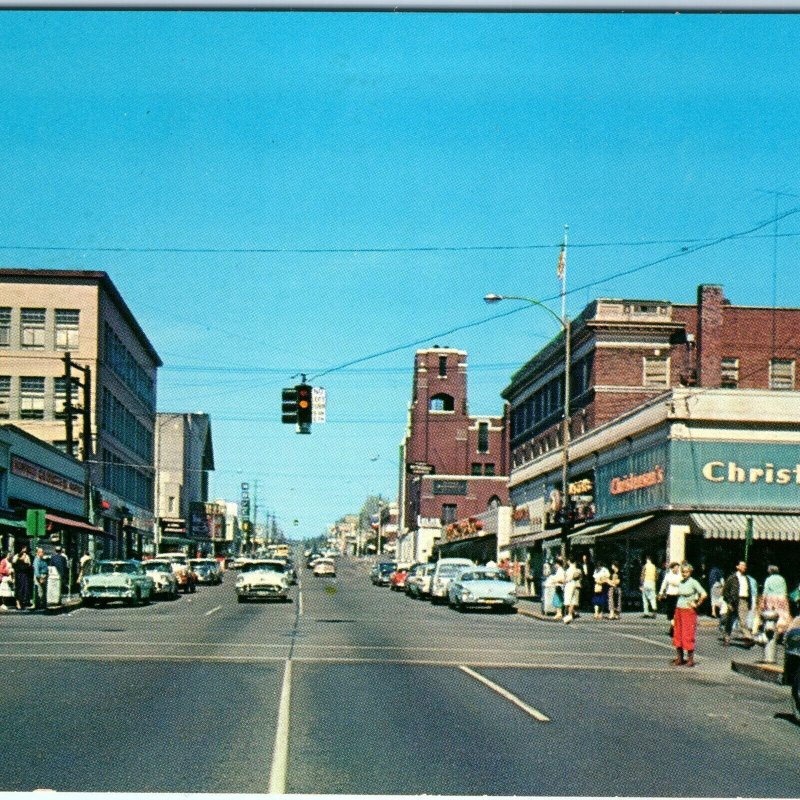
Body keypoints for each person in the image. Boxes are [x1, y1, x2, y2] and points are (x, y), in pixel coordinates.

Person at [672, 562, 708, 667]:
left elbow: (704, 594)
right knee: (678, 634)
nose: (684, 574)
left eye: (686, 572)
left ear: (690, 572)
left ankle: (690, 659)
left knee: (688, 634)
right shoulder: (681, 582)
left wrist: (696, 604)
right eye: (683, 572)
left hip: (688, 611)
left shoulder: (693, 582)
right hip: (679, 610)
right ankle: (680, 658)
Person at [721, 561, 758, 645]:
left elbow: (749, 591)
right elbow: (725, 591)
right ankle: (726, 637)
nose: (744, 567)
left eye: (745, 565)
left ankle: (748, 637)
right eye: (742, 565)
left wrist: (749, 602)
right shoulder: (732, 578)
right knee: (730, 620)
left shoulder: (746, 578)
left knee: (743, 620)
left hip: (743, 600)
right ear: (737, 567)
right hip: (733, 600)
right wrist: (728, 602)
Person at [759, 565, 792, 639]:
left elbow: (765, 591)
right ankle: (781, 630)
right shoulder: (782, 579)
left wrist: (762, 602)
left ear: (770, 571)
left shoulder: (769, 579)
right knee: (782, 614)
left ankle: (771, 631)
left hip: (771, 598)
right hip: (782, 598)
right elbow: (785, 590)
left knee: (772, 614)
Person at [658, 562, 682, 635]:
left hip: (678, 595)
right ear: (672, 568)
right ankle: (673, 626)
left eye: (678, 568)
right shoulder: (668, 575)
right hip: (670, 595)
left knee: (676, 611)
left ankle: (673, 627)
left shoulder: (680, 575)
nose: (677, 569)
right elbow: (664, 584)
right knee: (671, 612)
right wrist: (660, 593)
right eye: (676, 567)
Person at [13, 546, 33, 610]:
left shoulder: (24, 563)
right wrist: (28, 566)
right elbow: (23, 568)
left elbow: (29, 567)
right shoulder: (18, 563)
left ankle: (22, 603)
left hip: (24, 577)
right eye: (24, 556)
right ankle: (18, 603)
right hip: (19, 577)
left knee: (24, 590)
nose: (25, 557)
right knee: (19, 590)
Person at [563, 557, 582, 624]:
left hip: (569, 584)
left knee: (568, 600)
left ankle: (569, 615)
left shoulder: (568, 570)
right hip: (576, 585)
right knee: (573, 601)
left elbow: (566, 579)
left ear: (569, 561)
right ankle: (571, 614)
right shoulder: (578, 570)